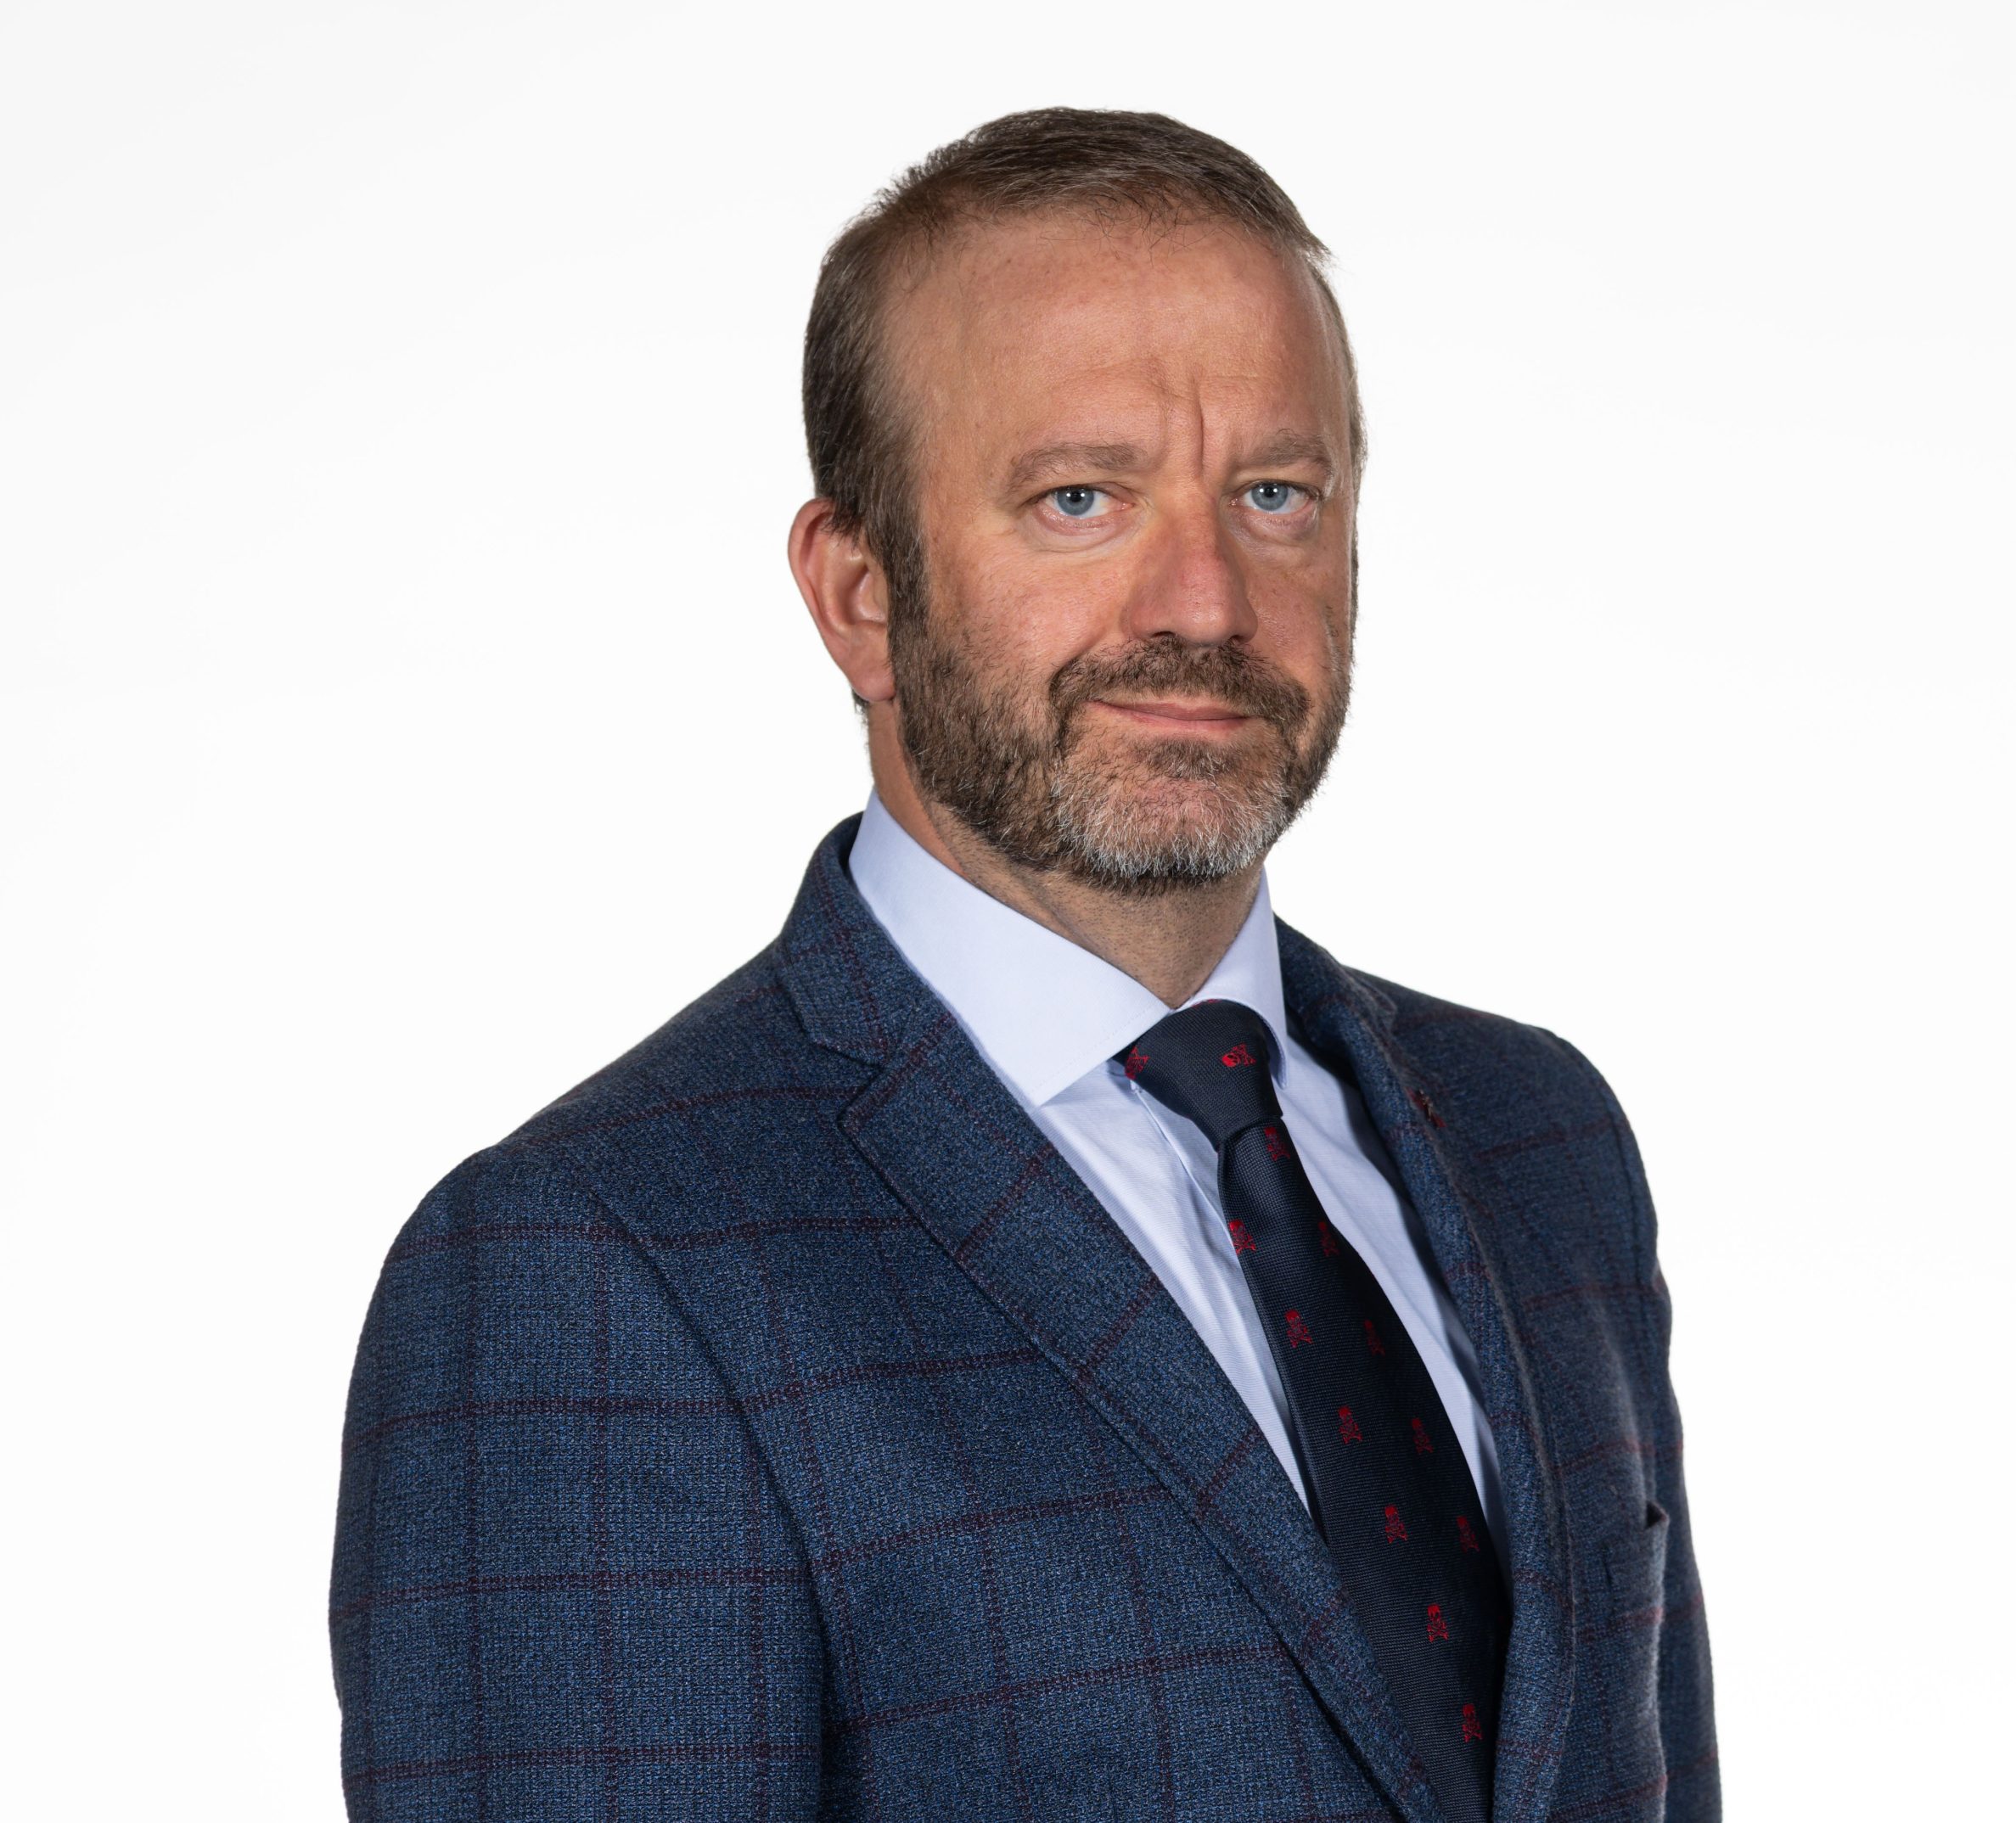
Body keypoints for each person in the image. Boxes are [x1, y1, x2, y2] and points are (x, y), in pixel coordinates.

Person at [330, 107, 1717, 1823]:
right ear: (858, 592)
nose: (1203, 602)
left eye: (1274, 494)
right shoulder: (592, 1270)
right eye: (1080, 499)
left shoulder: (1537, 1139)